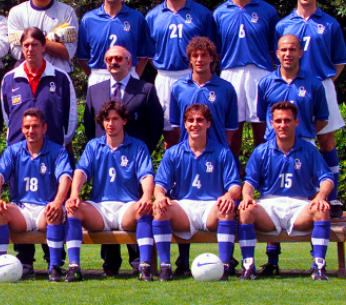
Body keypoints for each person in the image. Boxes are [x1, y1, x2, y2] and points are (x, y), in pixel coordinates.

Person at [0, 27, 76, 275]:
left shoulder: (60, 77)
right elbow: (7, 117)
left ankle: (54, 260)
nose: (30, 49)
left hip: (52, 152)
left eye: (35, 44)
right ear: (21, 48)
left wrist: (58, 144)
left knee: (52, 203)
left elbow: (70, 117)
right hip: (21, 155)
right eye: (26, 45)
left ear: (44, 46)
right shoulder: (9, 78)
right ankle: (25, 260)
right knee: (21, 201)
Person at [82, 45, 162, 275]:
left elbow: (155, 125)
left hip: (134, 160)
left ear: (129, 62)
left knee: (136, 205)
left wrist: (139, 152)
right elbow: (90, 126)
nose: (113, 62)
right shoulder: (94, 90)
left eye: (118, 58)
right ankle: (110, 263)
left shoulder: (145, 89)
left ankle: (138, 261)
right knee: (104, 202)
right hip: (104, 160)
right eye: (109, 59)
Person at [255, 34, 329, 275]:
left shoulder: (314, 83)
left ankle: (317, 260)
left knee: (309, 198)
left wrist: (302, 134)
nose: (288, 54)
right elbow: (262, 117)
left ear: (300, 52)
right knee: (272, 195)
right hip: (274, 145)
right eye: (283, 50)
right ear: (277, 53)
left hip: (304, 144)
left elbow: (322, 118)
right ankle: (272, 260)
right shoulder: (266, 82)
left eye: (292, 49)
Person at [275, 0, 346, 217]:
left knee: (326, 141)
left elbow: (339, 61)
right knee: (293, 138)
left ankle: (332, 198)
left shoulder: (330, 24)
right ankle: (293, 194)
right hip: (291, 87)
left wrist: (321, 85)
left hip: (321, 85)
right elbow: (276, 58)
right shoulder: (283, 25)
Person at [237, 102, 334, 280]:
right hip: (269, 205)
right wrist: (246, 197)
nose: (283, 125)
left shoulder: (309, 150)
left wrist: (321, 196)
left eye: (287, 120)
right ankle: (248, 266)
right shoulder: (261, 151)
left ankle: (318, 266)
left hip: (300, 204)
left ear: (296, 122)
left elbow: (327, 178)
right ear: (272, 123)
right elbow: (250, 181)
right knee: (245, 210)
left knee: (322, 209)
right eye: (278, 121)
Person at [65, 101, 155, 281]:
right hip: (100, 208)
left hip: (127, 207)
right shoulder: (93, 146)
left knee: (144, 208)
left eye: (115, 119)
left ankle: (145, 267)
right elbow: (81, 172)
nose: (110, 123)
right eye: (106, 119)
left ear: (124, 121)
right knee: (73, 208)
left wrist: (146, 196)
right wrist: (74, 194)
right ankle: (73, 267)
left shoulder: (138, 146)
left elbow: (146, 175)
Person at [151, 104, 241, 281]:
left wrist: (229, 196)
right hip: (184, 208)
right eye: (190, 120)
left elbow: (235, 186)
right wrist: (160, 196)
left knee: (227, 208)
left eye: (200, 120)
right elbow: (159, 185)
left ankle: (224, 267)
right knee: (160, 209)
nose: (195, 124)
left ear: (208, 124)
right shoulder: (173, 153)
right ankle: (165, 267)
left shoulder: (222, 152)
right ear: (185, 124)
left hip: (211, 207)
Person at [0, 108, 72, 282]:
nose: (31, 131)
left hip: (45, 208)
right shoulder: (13, 151)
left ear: (44, 128)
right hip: (21, 209)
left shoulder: (57, 151)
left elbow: (65, 177)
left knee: (54, 212)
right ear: (22, 129)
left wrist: (58, 202)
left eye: (35, 126)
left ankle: (54, 267)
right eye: (27, 127)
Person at [146, 0, 216, 147]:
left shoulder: (202, 14)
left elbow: (211, 50)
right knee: (169, 131)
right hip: (164, 77)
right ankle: (174, 163)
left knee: (196, 125)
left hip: (192, 77)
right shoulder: (152, 16)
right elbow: (149, 53)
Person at [213, 0, 278, 156]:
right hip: (230, 73)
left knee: (263, 131)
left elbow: (274, 48)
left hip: (260, 72)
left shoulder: (268, 11)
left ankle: (262, 172)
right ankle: (233, 173)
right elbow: (216, 51)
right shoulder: (219, 13)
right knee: (231, 133)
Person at [77, 0, 153, 86]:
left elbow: (143, 56)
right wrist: (94, 76)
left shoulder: (136, 18)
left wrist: (133, 77)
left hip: (128, 75)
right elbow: (82, 56)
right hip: (99, 76)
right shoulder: (89, 19)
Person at [7, 0, 78, 74]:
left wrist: (31, 41)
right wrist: (51, 41)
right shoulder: (16, 12)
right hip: (27, 76)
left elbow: (68, 52)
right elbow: (17, 52)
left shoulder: (66, 12)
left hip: (58, 75)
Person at [169, 37, 238, 148]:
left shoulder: (226, 88)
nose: (199, 60)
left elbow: (231, 126)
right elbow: (176, 125)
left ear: (211, 58)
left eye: (204, 55)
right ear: (190, 59)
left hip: (217, 153)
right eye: (195, 56)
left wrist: (217, 146)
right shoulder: (178, 88)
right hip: (188, 153)